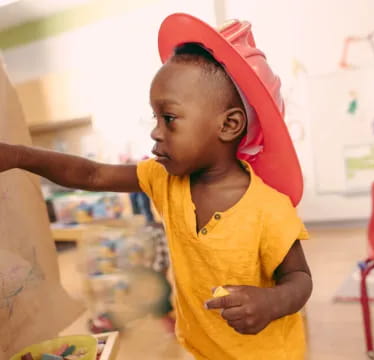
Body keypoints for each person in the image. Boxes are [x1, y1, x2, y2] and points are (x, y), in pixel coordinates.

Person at [0, 13, 312, 359]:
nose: (155, 131)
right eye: (155, 118)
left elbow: (299, 278)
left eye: (170, 118)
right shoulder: (165, 180)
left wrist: (272, 300)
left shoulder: (268, 208)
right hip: (203, 349)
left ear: (229, 125)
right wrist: (18, 155)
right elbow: (91, 175)